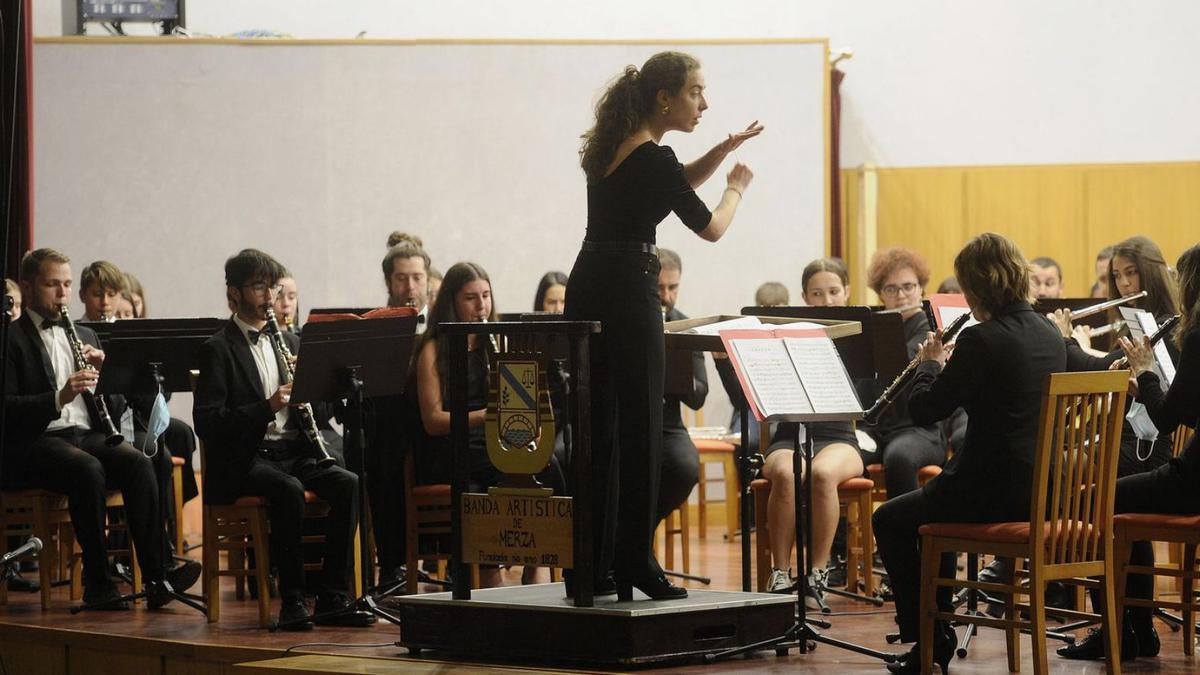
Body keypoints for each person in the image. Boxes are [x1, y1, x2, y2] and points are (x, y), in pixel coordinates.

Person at [565, 50, 760, 601]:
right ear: (664, 98)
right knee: (643, 425)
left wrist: (721, 150)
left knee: (599, 427)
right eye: (697, 91)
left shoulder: (617, 147)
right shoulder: (654, 159)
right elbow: (710, 226)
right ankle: (635, 561)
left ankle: (594, 563)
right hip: (629, 288)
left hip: (591, 281)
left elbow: (669, 183)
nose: (705, 101)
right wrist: (737, 186)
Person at [872, 233, 1066, 674]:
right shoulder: (1048, 332)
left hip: (988, 491)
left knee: (890, 517)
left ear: (977, 287)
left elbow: (925, 410)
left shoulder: (981, 340)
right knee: (926, 508)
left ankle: (927, 638)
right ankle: (935, 631)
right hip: (1041, 490)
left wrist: (930, 364)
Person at [3, 248, 200, 610]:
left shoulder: (86, 335)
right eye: (52, 284)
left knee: (139, 461)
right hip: (37, 439)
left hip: (86, 434)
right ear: (28, 288)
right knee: (87, 468)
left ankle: (158, 575)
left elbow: (113, 404)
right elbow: (7, 409)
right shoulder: (10, 339)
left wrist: (107, 370)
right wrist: (58, 396)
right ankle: (98, 581)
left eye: (65, 283)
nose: (62, 293)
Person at [193, 249, 372, 630]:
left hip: (294, 451)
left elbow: (319, 417)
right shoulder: (218, 350)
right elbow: (207, 423)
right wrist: (267, 405)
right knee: (288, 489)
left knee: (349, 484)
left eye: (272, 288)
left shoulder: (290, 342)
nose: (269, 297)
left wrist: (317, 388)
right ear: (234, 294)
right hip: (245, 459)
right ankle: (292, 601)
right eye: (259, 287)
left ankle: (331, 596)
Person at [1057, 243, 1200, 663]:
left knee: (1101, 499)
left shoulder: (1196, 335)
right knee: (1123, 500)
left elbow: (1167, 420)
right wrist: (1148, 385)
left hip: (1192, 477)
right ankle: (1137, 630)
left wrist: (1146, 373)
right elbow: (1188, 412)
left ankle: (1120, 630)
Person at [415, 262, 564, 587]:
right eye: (471, 297)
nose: (481, 305)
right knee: (495, 480)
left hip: (493, 445)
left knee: (546, 466)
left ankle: (535, 571)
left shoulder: (494, 341)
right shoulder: (433, 349)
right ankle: (492, 580)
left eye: (486, 296)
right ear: (451, 301)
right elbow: (433, 421)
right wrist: (488, 414)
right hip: (453, 449)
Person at [756, 257, 865, 608]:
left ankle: (818, 571)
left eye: (834, 292)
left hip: (840, 437)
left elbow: (869, 397)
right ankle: (781, 573)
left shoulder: (861, 336)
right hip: (789, 433)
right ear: (805, 297)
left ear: (846, 292)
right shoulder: (786, 336)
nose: (827, 300)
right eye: (817, 293)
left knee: (820, 473)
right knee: (787, 473)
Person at [858, 249, 946, 500]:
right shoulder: (871, 327)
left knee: (899, 457)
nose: (901, 296)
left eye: (908, 286)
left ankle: (904, 536)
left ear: (921, 289)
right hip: (874, 428)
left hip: (918, 430)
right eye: (891, 289)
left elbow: (905, 364)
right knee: (843, 452)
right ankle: (842, 538)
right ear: (880, 294)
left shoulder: (930, 328)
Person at [656, 249, 704, 527]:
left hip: (668, 425)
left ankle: (640, 530)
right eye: (659, 287)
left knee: (685, 467)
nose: (667, 296)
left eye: (673, 287)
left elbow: (699, 397)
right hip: (629, 422)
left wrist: (677, 371)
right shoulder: (629, 323)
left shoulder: (686, 327)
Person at [382, 233, 432, 334]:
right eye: (401, 278)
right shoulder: (376, 327)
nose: (410, 287)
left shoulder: (442, 327)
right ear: (388, 283)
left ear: (428, 281)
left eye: (417, 278)